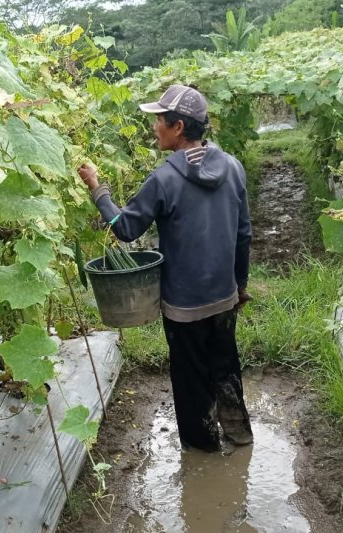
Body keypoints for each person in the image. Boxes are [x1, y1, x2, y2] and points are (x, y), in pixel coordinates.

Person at [77, 84, 254, 452]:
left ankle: (203, 452)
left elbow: (125, 229)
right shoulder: (233, 167)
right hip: (224, 297)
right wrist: (239, 285)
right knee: (225, 367)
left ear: (177, 127)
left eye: (159, 119)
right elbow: (243, 234)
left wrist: (97, 188)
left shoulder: (165, 180)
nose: (154, 126)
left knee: (191, 381)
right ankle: (239, 435)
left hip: (183, 306)